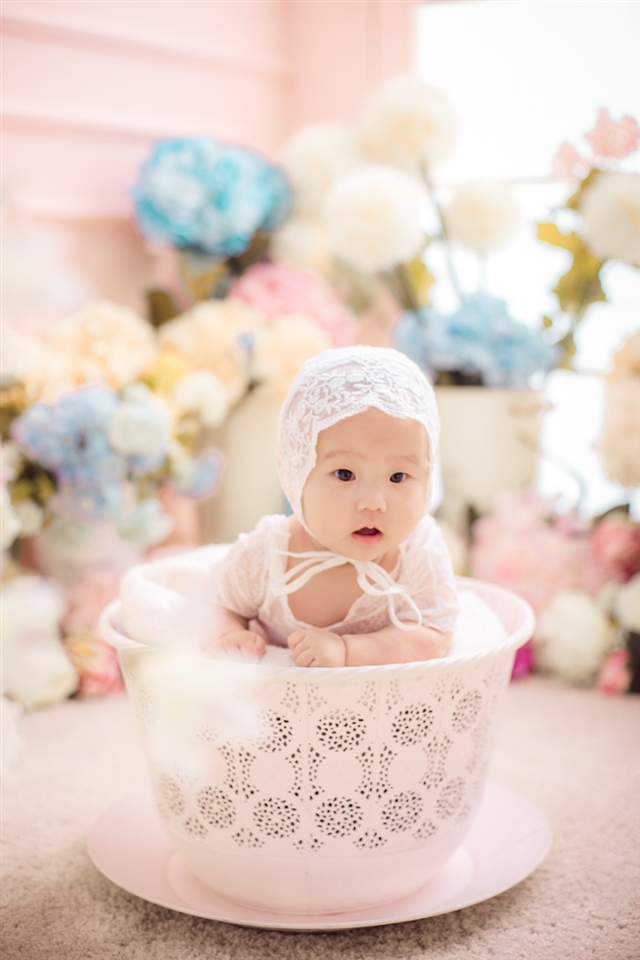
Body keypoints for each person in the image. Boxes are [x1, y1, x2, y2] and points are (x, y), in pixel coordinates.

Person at [209, 345, 458, 667]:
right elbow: (218, 602)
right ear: (297, 473)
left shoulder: (418, 552)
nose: (374, 502)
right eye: (344, 474)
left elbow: (435, 635)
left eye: (398, 476)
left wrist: (347, 651)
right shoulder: (268, 555)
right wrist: (229, 634)